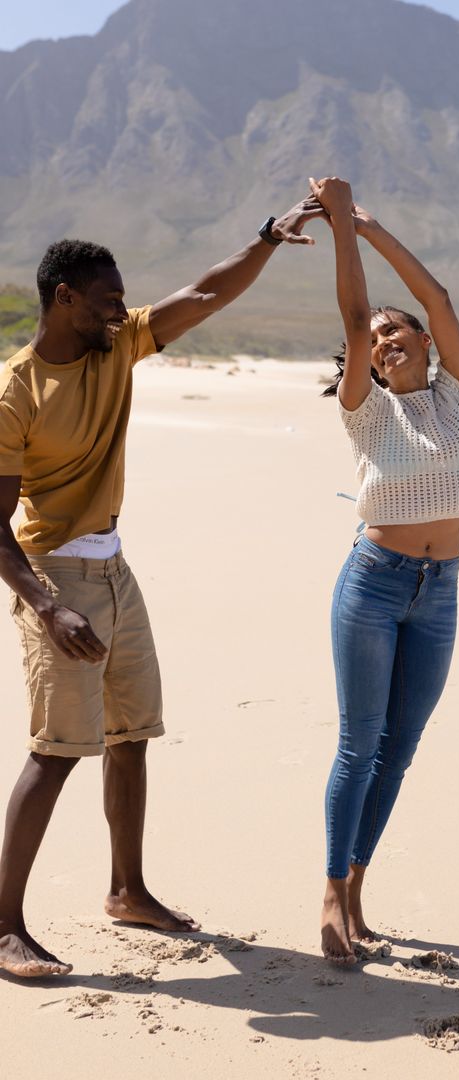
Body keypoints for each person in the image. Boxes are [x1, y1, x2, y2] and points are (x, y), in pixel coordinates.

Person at [0, 198, 325, 978]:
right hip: (57, 577)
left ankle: (127, 891)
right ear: (64, 299)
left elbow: (207, 294)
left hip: (115, 568)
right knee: (55, 752)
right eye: (107, 297)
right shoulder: (15, 392)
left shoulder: (116, 347)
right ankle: (3, 925)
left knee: (132, 733)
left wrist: (265, 240)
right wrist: (48, 606)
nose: (121, 307)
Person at [309, 176, 459, 964]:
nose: (384, 339)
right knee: (359, 745)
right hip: (375, 584)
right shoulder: (368, 411)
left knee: (400, 749)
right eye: (375, 340)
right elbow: (353, 318)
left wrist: (373, 227)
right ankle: (329, 895)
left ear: (423, 340)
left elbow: (439, 293)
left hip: (439, 594)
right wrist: (342, 229)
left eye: (398, 329)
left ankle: (357, 887)